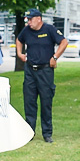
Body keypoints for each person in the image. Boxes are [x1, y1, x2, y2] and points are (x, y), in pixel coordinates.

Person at [15, 8, 68, 142]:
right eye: (27, 20)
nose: (28, 23)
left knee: (46, 101)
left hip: (45, 70)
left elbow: (64, 42)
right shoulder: (26, 31)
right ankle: (29, 132)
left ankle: (47, 133)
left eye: (31, 19)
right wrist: (20, 53)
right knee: (29, 101)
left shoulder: (49, 29)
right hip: (30, 71)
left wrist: (55, 57)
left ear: (39, 18)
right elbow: (19, 40)